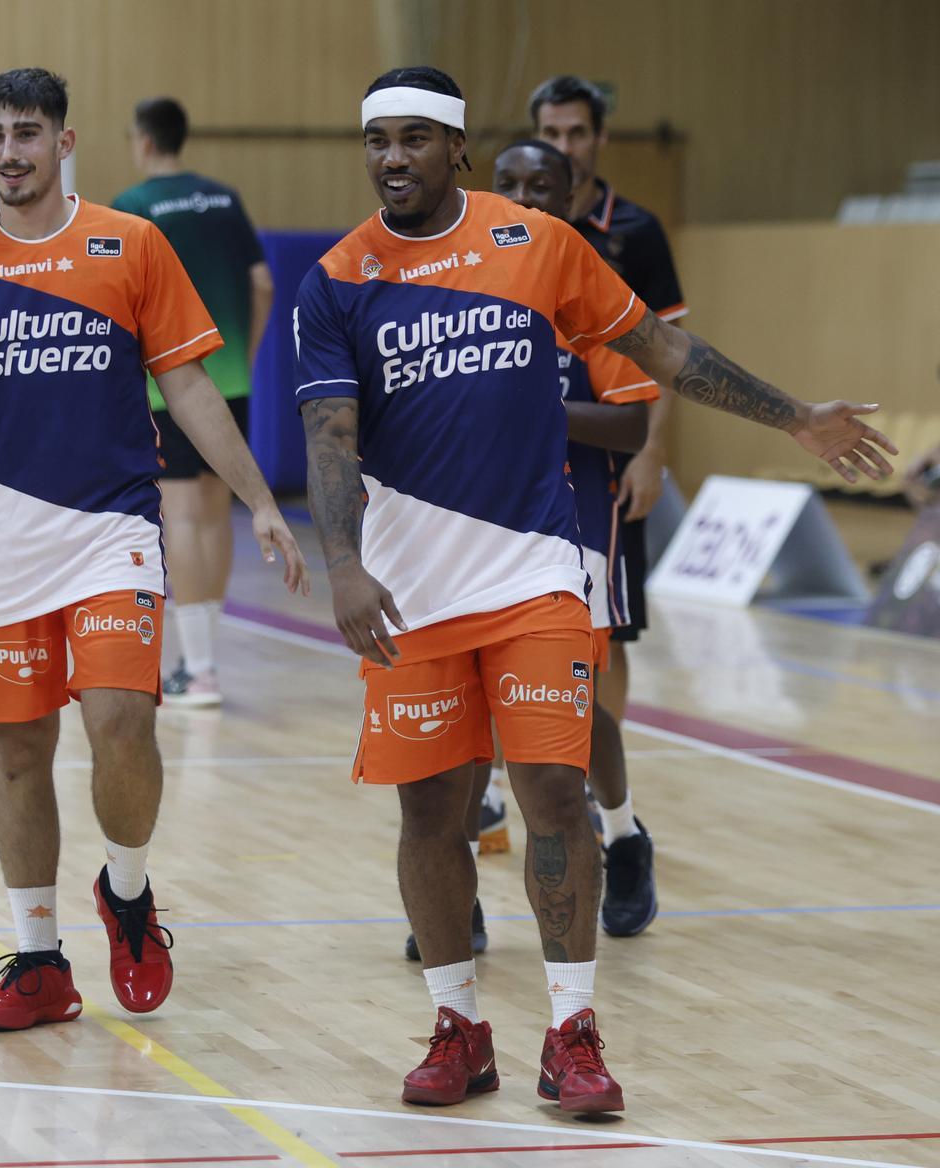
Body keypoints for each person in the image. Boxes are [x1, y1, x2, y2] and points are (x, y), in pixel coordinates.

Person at [294, 65, 893, 1113]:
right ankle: (460, 1026)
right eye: (377, 141)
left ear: (458, 151)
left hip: (534, 577)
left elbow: (662, 348)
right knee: (430, 814)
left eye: (414, 140)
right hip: (413, 597)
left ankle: (571, 1031)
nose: (393, 158)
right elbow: (329, 435)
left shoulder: (539, 246)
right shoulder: (338, 279)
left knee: (554, 797)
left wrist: (794, 414)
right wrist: (343, 562)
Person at [0, 68, 306, 1033]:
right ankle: (41, 962)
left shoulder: (131, 244)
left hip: (112, 534)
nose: (10, 150)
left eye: (28, 131)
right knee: (17, 753)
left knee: (122, 724)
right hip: (0, 544)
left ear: (64, 142)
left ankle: (128, 894)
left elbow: (187, 388)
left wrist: (260, 497)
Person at [493, 139, 660, 937]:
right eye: (509, 185)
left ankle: (623, 834)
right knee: (465, 717)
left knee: (579, 707)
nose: (526, 198)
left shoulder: (590, 292)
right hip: (467, 527)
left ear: (570, 194)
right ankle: (453, 898)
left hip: (573, 527)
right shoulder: (451, 287)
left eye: (542, 186)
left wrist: (537, 414)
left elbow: (631, 421)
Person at [529, 75, 685, 731]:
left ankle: (600, 793)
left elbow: (671, 351)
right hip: (524, 463)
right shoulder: (512, 226)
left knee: (608, 627)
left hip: (608, 457)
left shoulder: (637, 232)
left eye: (576, 133)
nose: (564, 145)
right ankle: (508, 790)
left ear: (600, 137)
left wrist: (650, 452)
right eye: (551, 133)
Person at [113, 98, 275, 707]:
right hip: (231, 380)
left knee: (179, 515)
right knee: (215, 513)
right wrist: (248, 357)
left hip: (169, 387)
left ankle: (198, 668)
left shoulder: (134, 207)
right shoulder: (225, 198)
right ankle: (205, 664)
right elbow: (262, 283)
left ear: (145, 141)